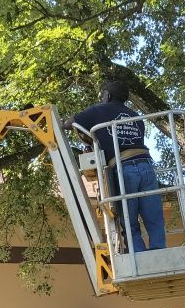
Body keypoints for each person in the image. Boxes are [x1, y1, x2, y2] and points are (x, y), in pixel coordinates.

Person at [64, 80, 166, 252]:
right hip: (146, 166)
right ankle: (159, 252)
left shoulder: (98, 110)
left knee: (128, 219)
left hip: (123, 169)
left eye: (103, 94)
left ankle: (139, 258)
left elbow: (68, 124)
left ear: (107, 95)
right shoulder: (136, 117)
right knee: (153, 216)